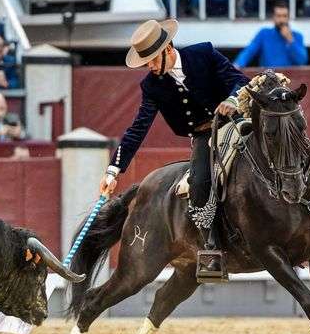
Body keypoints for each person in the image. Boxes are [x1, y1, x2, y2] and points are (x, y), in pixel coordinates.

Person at [98, 19, 249, 270]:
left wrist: (232, 100)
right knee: (199, 183)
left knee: (282, 143)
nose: (151, 67)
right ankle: (211, 248)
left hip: (235, 121)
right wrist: (113, 169)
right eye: (146, 62)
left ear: (168, 49)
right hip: (205, 136)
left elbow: (240, 81)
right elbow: (138, 128)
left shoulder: (203, 53)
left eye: (154, 59)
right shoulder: (151, 85)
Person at [233, 2, 308, 68]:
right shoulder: (264, 34)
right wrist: (238, 64)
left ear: (288, 18)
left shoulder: (297, 36)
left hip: (289, 80)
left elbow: (302, 61)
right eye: (278, 16)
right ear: (273, 17)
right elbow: (249, 51)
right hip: (268, 79)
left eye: (284, 16)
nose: (281, 20)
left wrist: (291, 40)